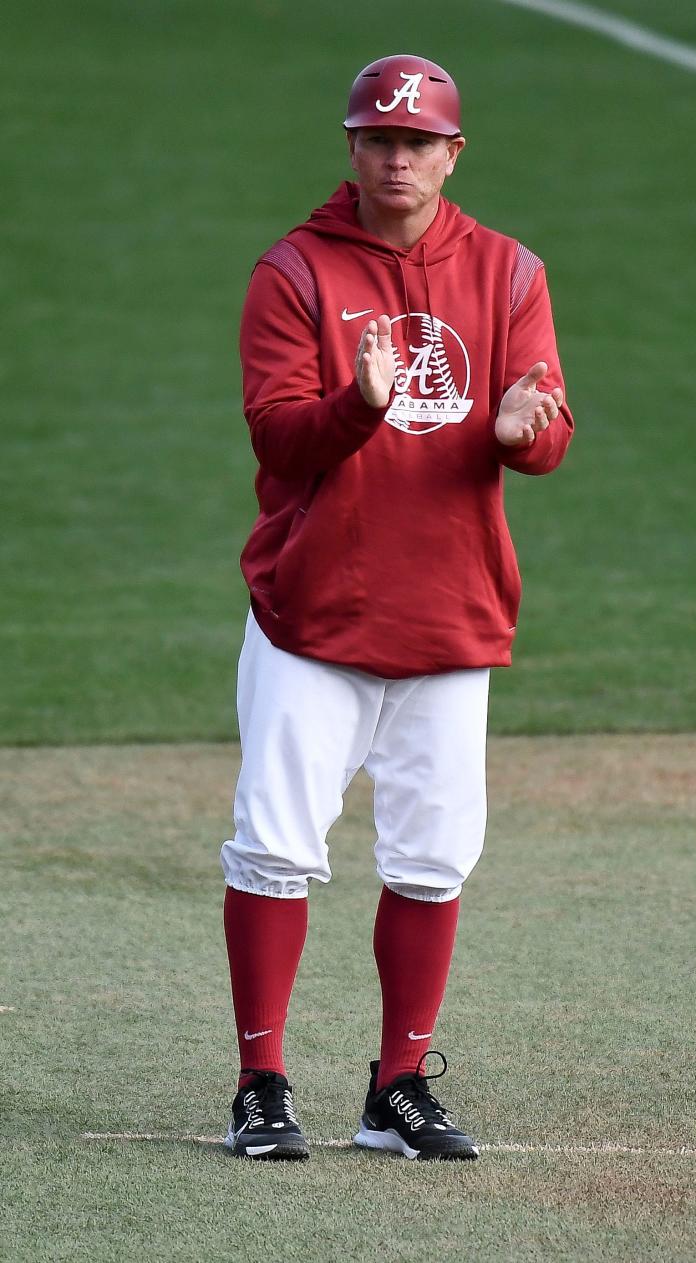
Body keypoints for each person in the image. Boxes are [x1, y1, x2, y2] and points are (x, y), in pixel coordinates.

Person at [220, 53, 574, 1162]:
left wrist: (530, 435)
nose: (398, 157)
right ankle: (261, 1083)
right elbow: (277, 435)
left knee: (432, 859)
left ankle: (399, 1087)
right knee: (276, 852)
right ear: (353, 147)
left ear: (451, 154)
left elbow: (546, 418)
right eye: (379, 138)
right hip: (313, 612)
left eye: (419, 143)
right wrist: (355, 407)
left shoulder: (511, 273)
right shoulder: (294, 273)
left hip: (450, 612)